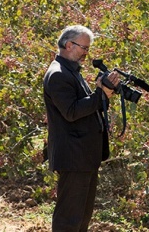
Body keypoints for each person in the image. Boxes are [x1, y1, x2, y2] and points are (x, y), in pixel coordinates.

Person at [43, 25, 119, 232]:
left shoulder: (70, 71)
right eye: (84, 48)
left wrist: (102, 94)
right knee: (69, 219)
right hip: (73, 156)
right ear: (69, 45)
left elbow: (86, 105)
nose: (87, 53)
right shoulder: (58, 74)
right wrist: (100, 94)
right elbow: (71, 111)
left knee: (81, 216)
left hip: (83, 156)